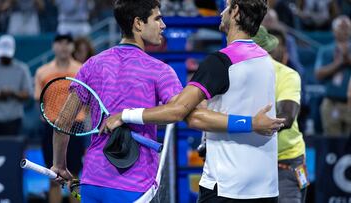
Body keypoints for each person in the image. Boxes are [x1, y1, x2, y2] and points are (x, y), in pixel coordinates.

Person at [51, 1, 283, 202]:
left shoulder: (92, 64)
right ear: (138, 23)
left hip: (93, 182)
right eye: (157, 18)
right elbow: (185, 112)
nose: (163, 25)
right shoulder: (160, 71)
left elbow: (63, 121)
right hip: (134, 187)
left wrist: (59, 165)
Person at [253, 26, 309, 203]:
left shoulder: (287, 75)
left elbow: (287, 118)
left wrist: (246, 125)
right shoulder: (232, 73)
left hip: (286, 162)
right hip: (251, 160)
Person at [34, 33, 84, 203]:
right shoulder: (42, 72)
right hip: (51, 128)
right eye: (59, 43)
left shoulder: (81, 69)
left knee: (74, 176)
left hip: (76, 128)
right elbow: (38, 101)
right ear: (53, 46)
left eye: (67, 43)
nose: (63, 46)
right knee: (53, 175)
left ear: (72, 47)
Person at [315, 15, 351, 137]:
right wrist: (339, 63)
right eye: (341, 27)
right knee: (332, 140)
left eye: (347, 27)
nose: (344, 30)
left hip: (349, 102)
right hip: (331, 102)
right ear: (334, 31)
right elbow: (318, 74)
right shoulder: (326, 50)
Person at [0, 35, 33, 136]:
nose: (5, 57)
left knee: (13, 150)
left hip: (14, 120)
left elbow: (28, 94)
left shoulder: (22, 69)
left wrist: (13, 93)